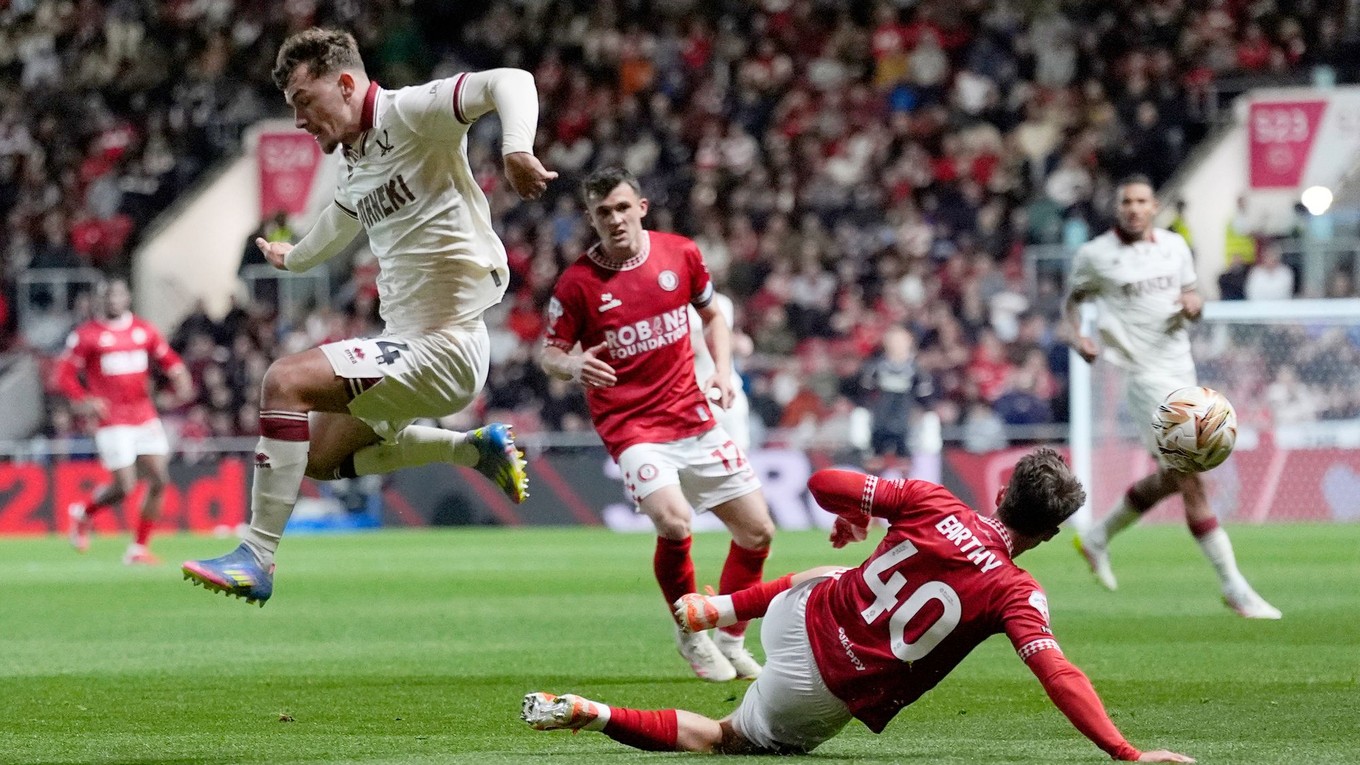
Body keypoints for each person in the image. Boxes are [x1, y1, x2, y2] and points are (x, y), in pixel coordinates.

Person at [183, 28, 553, 605]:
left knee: (284, 380)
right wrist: (292, 256)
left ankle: (256, 555)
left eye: (305, 102)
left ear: (347, 84)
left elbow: (512, 80)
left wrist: (515, 149)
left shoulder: (411, 113)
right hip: (413, 345)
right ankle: (472, 448)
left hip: (447, 343)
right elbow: (336, 223)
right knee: (322, 460)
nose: (301, 121)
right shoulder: (356, 164)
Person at [522, 449, 1195, 763]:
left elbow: (822, 481)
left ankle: (725, 607)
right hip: (820, 688)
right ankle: (599, 712)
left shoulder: (933, 499)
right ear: (1046, 534)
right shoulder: (1017, 592)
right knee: (723, 736)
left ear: (1002, 492)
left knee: (835, 570)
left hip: (796, 613)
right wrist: (1126, 752)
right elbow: (1059, 673)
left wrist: (855, 509)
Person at [540, 166, 775, 682]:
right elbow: (548, 354)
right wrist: (573, 365)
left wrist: (722, 369)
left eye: (623, 208)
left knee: (758, 532)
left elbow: (713, 316)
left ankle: (732, 640)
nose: (615, 220)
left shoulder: (680, 254)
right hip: (632, 429)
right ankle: (689, 629)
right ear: (591, 219)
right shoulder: (578, 283)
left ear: (641, 208)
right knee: (674, 521)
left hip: (693, 416)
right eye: (603, 213)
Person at [1063, 174, 1280, 619]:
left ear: (1154, 206)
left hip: (1183, 370)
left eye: (1142, 201)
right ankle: (1234, 587)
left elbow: (1191, 294)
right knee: (1192, 478)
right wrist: (1080, 338)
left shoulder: (1175, 248)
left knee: (1169, 479)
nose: (1134, 208)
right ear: (1118, 207)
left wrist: (1196, 304)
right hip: (1145, 378)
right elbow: (1069, 309)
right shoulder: (1095, 256)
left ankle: (1097, 538)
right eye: (1127, 201)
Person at [53, 277, 195, 565]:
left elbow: (170, 361)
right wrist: (86, 399)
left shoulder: (144, 330)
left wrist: (180, 377)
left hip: (144, 416)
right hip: (112, 419)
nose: (113, 299)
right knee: (125, 486)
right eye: (107, 295)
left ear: (127, 297)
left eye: (118, 294)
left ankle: (138, 549)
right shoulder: (87, 335)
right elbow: (64, 375)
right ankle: (84, 513)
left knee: (159, 480)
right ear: (100, 300)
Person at [687, 291, 752, 450]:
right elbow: (692, 346)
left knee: (740, 451)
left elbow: (742, 343)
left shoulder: (722, 302)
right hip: (696, 394)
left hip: (729, 389)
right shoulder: (680, 307)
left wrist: (735, 342)